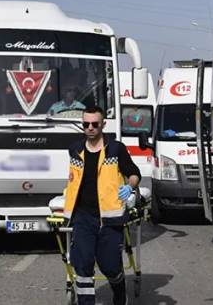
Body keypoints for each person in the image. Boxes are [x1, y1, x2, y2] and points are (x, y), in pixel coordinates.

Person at [62, 106, 140, 305]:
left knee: (111, 266)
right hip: (83, 217)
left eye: (94, 124)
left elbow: (133, 173)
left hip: (110, 218)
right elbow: (73, 181)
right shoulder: (75, 149)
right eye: (85, 124)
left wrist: (129, 187)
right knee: (83, 264)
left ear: (103, 125)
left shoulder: (115, 149)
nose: (90, 128)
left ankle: (120, 293)